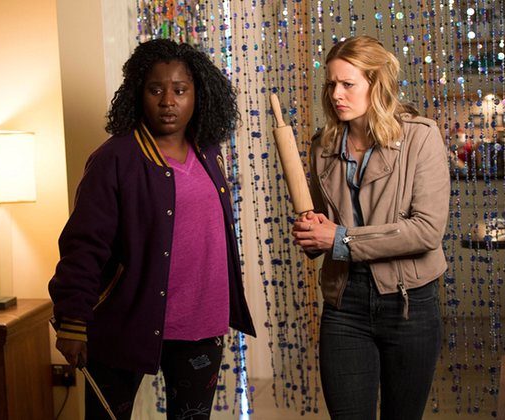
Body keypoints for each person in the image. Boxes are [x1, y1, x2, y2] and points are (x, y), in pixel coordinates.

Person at [49, 38, 256, 419]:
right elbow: (84, 244)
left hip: (201, 323)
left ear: (198, 95)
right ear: (137, 94)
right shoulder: (114, 158)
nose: (168, 101)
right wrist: (73, 320)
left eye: (180, 90)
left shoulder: (209, 151)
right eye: (156, 90)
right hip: (127, 320)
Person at [291, 35, 450, 419]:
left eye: (348, 84)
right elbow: (324, 226)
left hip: (409, 303)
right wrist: (312, 234)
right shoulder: (322, 147)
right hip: (344, 303)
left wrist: (339, 239)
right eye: (331, 84)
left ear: (376, 84)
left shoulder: (420, 137)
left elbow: (427, 231)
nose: (336, 94)